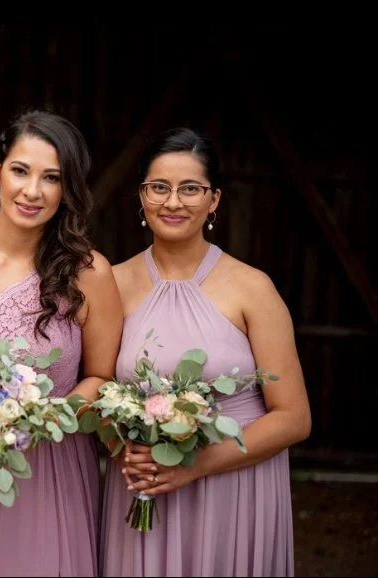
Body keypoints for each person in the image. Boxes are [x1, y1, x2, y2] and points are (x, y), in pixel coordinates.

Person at [99, 127, 311, 576]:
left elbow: (294, 417)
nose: (173, 202)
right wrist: (124, 449)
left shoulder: (253, 288)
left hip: (234, 490)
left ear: (213, 199)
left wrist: (194, 466)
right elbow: (96, 389)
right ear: (141, 196)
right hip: (144, 487)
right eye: (159, 187)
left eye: (190, 189)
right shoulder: (111, 285)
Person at [0, 110, 123, 576]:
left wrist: (38, 422)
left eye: (51, 178)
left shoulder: (89, 272)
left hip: (51, 468)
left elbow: (101, 377)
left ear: (67, 188)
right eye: (20, 170)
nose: (32, 191)